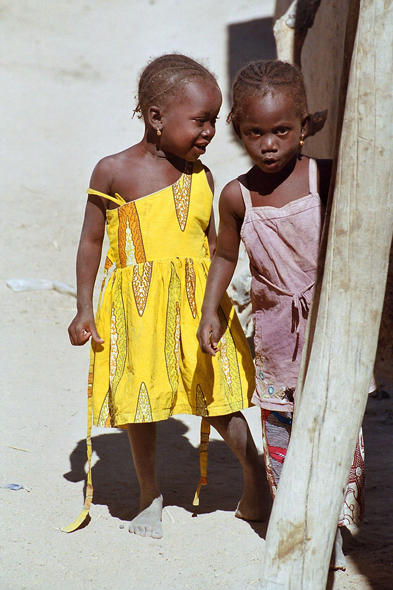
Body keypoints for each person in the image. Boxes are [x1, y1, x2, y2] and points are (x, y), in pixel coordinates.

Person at [67, 54, 270, 539]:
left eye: (214, 122)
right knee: (141, 401)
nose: (209, 132)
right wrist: (83, 306)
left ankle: (254, 473)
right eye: (200, 121)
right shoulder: (112, 171)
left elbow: (216, 248)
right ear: (156, 117)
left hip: (197, 309)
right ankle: (148, 494)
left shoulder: (203, 179)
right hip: (136, 310)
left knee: (217, 396)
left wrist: (218, 308)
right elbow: (91, 241)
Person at [197, 59, 374, 569]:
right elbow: (225, 256)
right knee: (281, 430)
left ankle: (335, 524)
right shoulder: (237, 196)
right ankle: (295, 515)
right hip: (275, 336)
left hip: (330, 328)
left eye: (282, 130)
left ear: (305, 126)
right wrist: (213, 308)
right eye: (255, 133)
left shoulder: (326, 178)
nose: (269, 144)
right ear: (238, 131)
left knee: (338, 427)